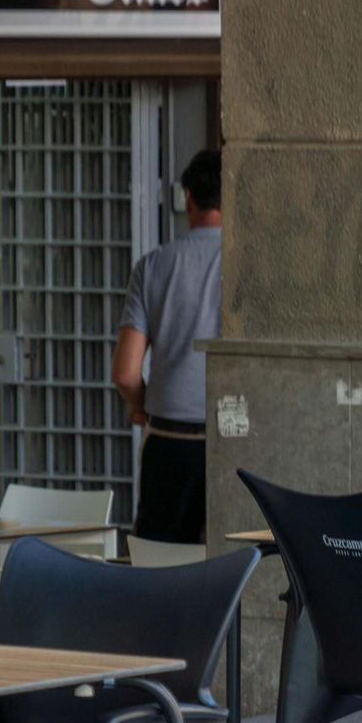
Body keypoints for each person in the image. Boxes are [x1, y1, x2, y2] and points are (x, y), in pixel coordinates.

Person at [112, 149, 223, 542]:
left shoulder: (154, 265)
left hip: (169, 443)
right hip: (235, 441)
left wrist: (138, 403)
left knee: (160, 570)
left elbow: (125, 373)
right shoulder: (250, 268)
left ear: (188, 198)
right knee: (233, 570)